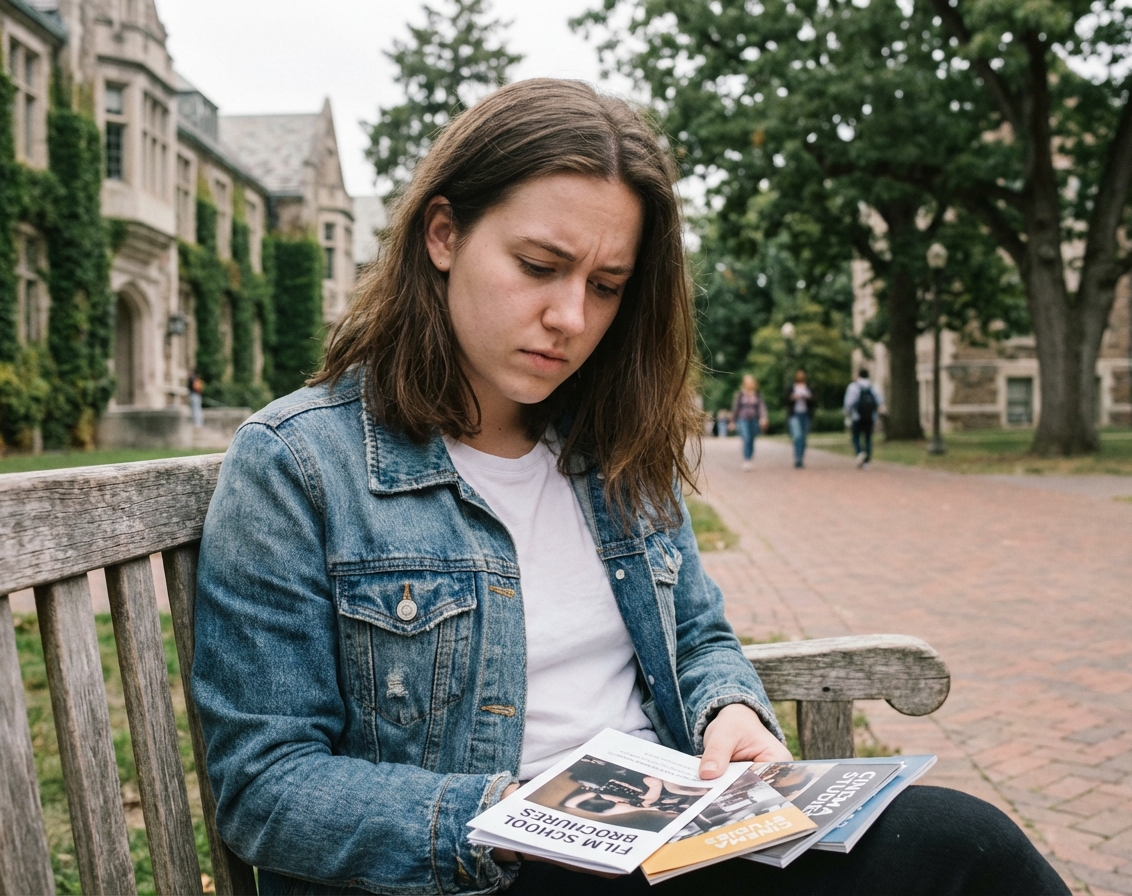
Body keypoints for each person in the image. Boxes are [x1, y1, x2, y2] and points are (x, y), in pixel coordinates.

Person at [191, 80, 1068, 896]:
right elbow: (267, 788)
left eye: (605, 287)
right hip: (486, 869)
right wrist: (510, 817)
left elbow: (696, 636)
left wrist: (730, 711)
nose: (572, 318)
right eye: (539, 265)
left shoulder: (608, 449)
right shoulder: (301, 464)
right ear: (443, 234)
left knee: (970, 848)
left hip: (670, 843)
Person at [844, 368, 883, 469]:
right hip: (870, 416)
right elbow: (879, 401)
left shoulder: (853, 387)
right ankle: (866, 460)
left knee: (856, 436)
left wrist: (848, 413)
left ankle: (859, 453)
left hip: (857, 416)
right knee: (868, 438)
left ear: (859, 375)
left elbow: (849, 403)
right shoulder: (873, 386)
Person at [731, 374, 768, 470]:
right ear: (744, 383)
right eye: (747, 382)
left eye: (751, 382)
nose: (749, 384)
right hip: (742, 419)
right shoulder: (740, 394)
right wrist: (732, 421)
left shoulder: (757, 394)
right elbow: (735, 408)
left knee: (751, 439)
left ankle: (750, 457)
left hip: (754, 419)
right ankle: (746, 459)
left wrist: (763, 418)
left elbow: (761, 407)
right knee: (746, 438)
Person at [786, 370, 813, 468]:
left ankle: (801, 458)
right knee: (797, 436)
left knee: (804, 438)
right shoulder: (791, 387)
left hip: (806, 414)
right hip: (794, 415)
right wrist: (792, 398)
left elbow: (814, 400)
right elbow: (785, 400)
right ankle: (797, 459)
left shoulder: (809, 387)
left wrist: (808, 397)